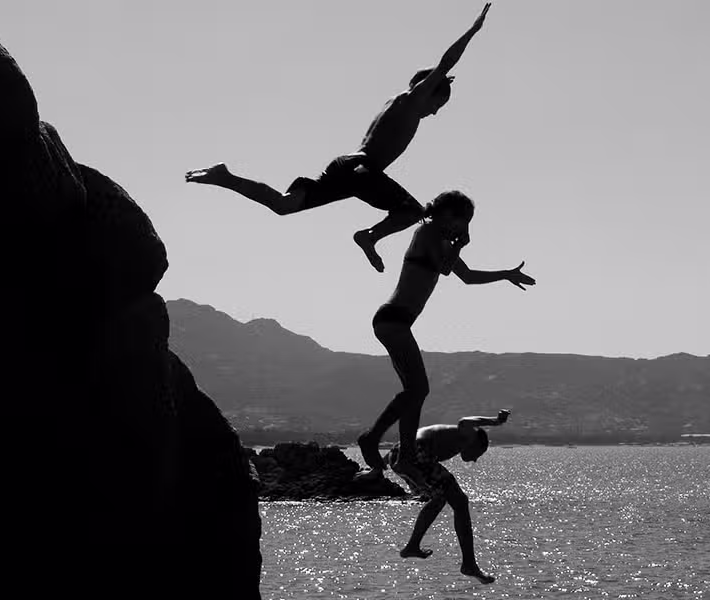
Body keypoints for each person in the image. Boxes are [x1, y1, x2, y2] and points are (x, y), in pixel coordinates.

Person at [184, 3, 492, 273]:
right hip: (361, 169)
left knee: (283, 205)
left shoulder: (397, 103)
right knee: (412, 212)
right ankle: (368, 236)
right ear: (429, 92)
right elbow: (445, 64)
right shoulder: (410, 100)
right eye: (438, 105)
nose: (436, 113)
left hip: (348, 168)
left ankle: (224, 176)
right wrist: (473, 31)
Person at [355, 190, 533, 489]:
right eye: (464, 222)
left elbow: (467, 277)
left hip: (398, 322)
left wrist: (504, 274)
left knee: (414, 391)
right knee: (418, 389)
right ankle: (378, 441)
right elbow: (448, 267)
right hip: (393, 319)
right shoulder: (426, 232)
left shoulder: (439, 239)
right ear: (449, 215)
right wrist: (460, 245)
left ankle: (394, 449)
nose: (463, 230)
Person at [387, 409, 512, 584]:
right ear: (476, 444)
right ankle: (468, 564)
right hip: (415, 453)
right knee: (459, 501)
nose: (475, 460)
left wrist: (380, 467)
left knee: (440, 498)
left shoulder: (455, 441)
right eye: (478, 454)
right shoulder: (470, 435)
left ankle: (413, 546)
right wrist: (496, 421)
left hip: (399, 456)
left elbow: (399, 448)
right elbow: (465, 421)